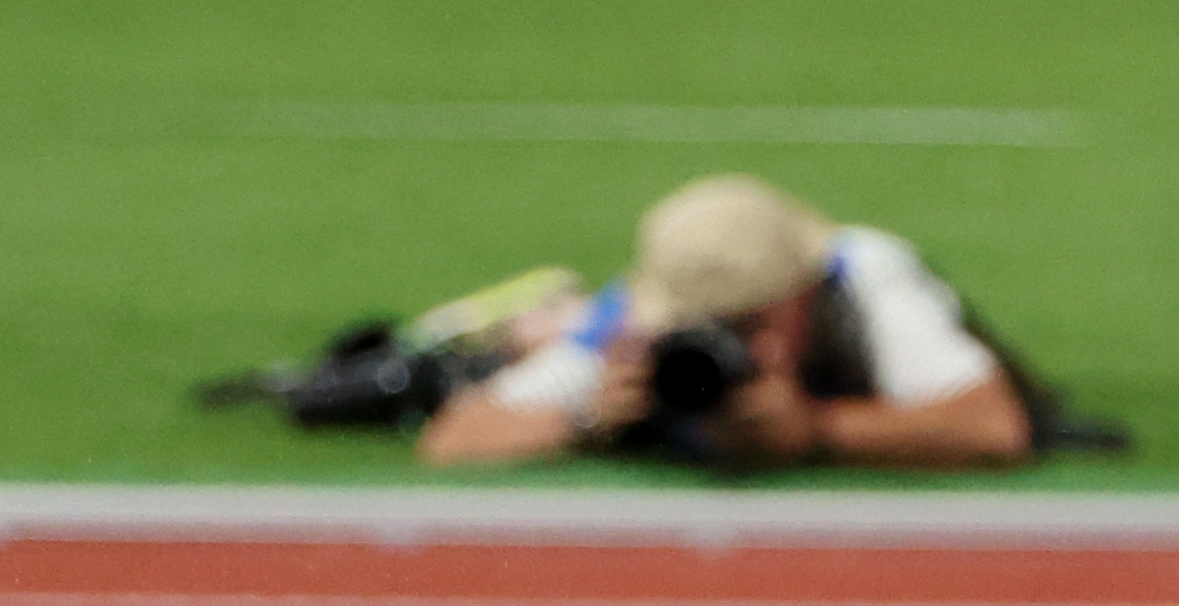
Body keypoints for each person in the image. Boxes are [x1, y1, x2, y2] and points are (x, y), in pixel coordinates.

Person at [416, 174, 1040, 470]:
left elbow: (992, 425)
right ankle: (530, 327)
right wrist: (581, 420)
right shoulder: (634, 322)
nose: (724, 346)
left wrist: (818, 429)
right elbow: (453, 438)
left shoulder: (866, 277)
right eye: (704, 324)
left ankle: (538, 322)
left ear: (804, 293)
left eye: (749, 324)